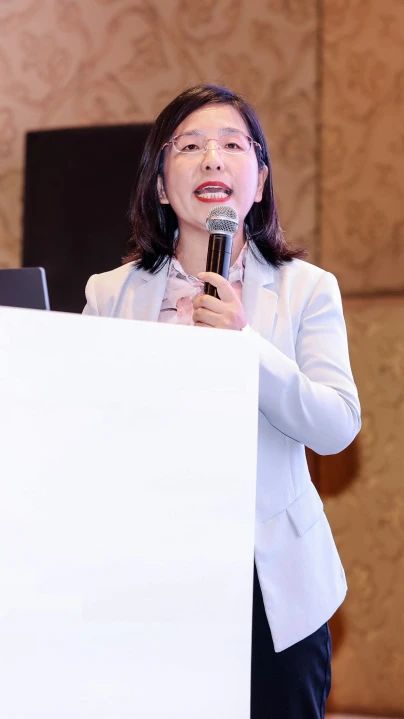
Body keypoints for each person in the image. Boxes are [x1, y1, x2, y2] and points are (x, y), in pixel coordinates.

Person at [83, 84, 361, 718]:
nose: (212, 158)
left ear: (258, 182)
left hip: (272, 585)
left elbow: (337, 426)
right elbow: (91, 434)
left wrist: (246, 344)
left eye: (233, 145)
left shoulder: (306, 289)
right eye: (189, 147)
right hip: (150, 574)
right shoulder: (110, 294)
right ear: (160, 186)